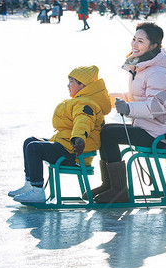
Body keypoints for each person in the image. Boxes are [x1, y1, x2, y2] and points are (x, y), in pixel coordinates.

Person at [89, 22, 166, 203]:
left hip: (162, 135)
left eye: (140, 41)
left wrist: (128, 108)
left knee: (108, 134)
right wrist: (106, 99)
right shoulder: (141, 68)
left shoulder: (158, 72)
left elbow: (157, 106)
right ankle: (110, 185)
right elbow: (136, 97)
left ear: (154, 45)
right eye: (134, 39)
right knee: (104, 130)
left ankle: (118, 190)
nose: (134, 44)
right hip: (149, 128)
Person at [8, 66, 112, 203]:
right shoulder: (81, 100)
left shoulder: (86, 104)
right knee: (30, 141)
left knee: (34, 148)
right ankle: (30, 184)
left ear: (83, 84)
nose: (68, 85)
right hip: (66, 145)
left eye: (71, 82)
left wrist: (79, 139)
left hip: (74, 153)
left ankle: (37, 191)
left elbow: (83, 122)